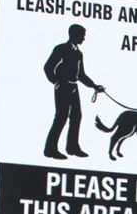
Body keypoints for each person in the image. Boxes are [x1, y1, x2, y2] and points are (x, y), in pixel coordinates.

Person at [43, 23, 105, 159]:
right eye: (82, 36)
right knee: (61, 117)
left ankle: (72, 147)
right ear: (74, 35)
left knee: (76, 117)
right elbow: (48, 67)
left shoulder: (78, 53)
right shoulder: (61, 49)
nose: (83, 39)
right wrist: (55, 81)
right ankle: (50, 149)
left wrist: (94, 86)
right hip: (62, 87)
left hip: (73, 87)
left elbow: (81, 75)